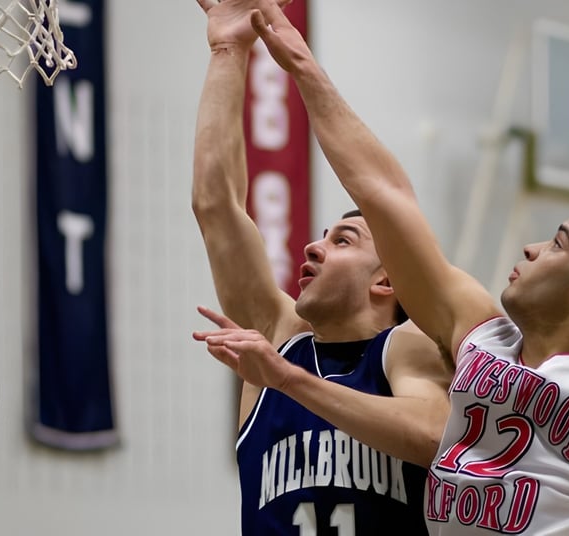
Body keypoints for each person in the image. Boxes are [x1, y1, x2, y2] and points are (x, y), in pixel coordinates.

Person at [197, 2, 569, 534]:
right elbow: (385, 196)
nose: (532, 248)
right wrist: (290, 63)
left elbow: (428, 433)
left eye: (557, 244)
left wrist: (288, 380)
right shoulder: (480, 340)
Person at [190, 1, 454, 534]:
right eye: (321, 236)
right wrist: (227, 51)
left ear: (387, 279)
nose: (312, 247)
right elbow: (215, 206)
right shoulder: (278, 338)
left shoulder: (409, 347)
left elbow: (431, 435)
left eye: (343, 240)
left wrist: (288, 381)